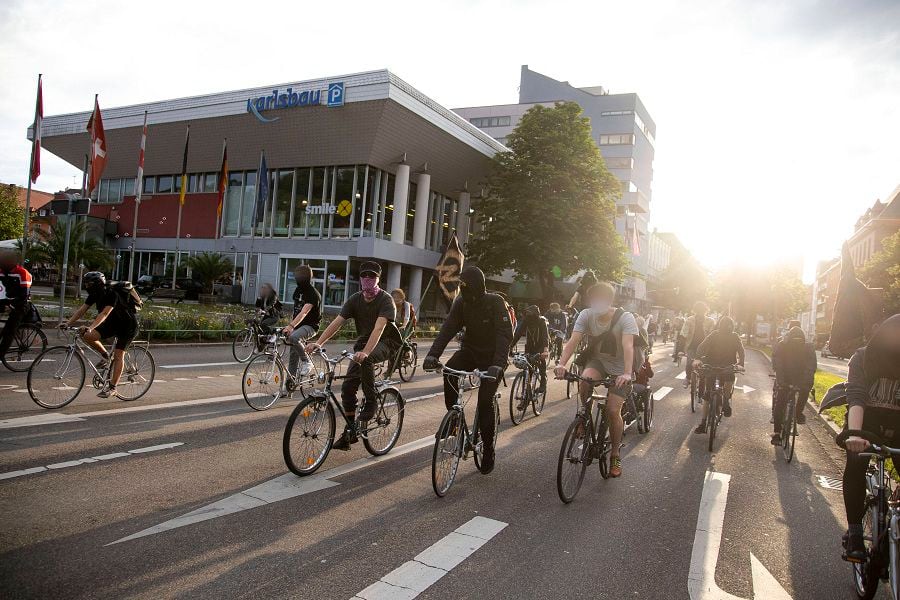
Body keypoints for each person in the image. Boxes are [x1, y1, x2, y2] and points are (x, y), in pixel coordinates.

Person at [423, 266, 512, 474]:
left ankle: (488, 448)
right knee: (450, 371)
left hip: (493, 358)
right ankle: (453, 420)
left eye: (468, 288)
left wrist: (498, 364)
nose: (465, 292)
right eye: (462, 288)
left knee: (484, 402)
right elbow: (448, 329)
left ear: (479, 287)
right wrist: (433, 355)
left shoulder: (495, 302)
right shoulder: (461, 303)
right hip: (471, 351)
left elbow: (504, 335)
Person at [305, 261, 400, 450]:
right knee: (348, 387)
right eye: (364, 275)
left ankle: (371, 403)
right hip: (362, 345)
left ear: (378, 279)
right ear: (360, 279)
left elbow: (379, 328)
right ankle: (350, 433)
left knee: (368, 359)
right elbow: (337, 322)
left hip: (387, 342)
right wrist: (318, 343)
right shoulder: (355, 299)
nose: (367, 279)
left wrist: (366, 352)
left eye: (372, 276)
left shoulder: (386, 300)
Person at [555, 282, 638, 478]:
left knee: (612, 410)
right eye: (594, 300)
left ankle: (615, 454)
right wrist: (561, 364)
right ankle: (584, 419)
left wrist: (626, 373)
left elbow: (628, 347)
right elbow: (573, 341)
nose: (596, 304)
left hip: (620, 367)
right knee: (585, 380)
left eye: (601, 300)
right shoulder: (586, 315)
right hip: (598, 361)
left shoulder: (626, 318)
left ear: (610, 301)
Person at [842, 314, 900, 562]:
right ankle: (855, 534)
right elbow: (856, 397)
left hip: (897, 427)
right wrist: (854, 434)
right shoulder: (863, 358)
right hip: (865, 422)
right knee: (856, 465)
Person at [62, 272, 140, 399]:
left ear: (97, 284)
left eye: (89, 283)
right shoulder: (94, 294)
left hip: (127, 325)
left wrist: (90, 327)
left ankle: (113, 387)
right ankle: (105, 357)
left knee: (119, 354)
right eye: (85, 283)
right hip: (112, 324)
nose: (86, 285)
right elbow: (82, 310)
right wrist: (68, 323)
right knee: (87, 336)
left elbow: (104, 313)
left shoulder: (111, 293)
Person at [691, 316, 745, 433]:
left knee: (707, 395)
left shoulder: (715, 334)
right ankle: (725, 400)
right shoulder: (733, 336)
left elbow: (702, 346)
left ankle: (703, 423)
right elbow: (741, 351)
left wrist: (697, 358)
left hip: (712, 366)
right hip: (726, 367)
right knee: (727, 382)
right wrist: (740, 363)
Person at [770, 326, 816, 445]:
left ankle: (777, 433)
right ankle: (798, 414)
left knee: (780, 403)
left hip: (791, 378)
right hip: (791, 378)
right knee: (798, 396)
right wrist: (805, 382)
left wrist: (781, 381)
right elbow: (811, 367)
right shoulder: (807, 347)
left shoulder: (783, 345)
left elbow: (778, 363)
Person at [283, 264, 321, 378]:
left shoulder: (313, 294)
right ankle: (289, 387)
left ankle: (307, 361)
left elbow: (304, 312)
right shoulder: (298, 290)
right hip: (298, 327)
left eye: (299, 276)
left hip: (310, 326)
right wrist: (291, 327)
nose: (297, 278)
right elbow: (296, 310)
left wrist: (291, 326)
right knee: (293, 357)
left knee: (294, 337)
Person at [0, 250, 33, 361]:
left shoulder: (22, 273)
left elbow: (24, 295)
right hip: (6, 300)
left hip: (21, 303)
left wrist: (11, 306)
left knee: (9, 330)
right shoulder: (2, 271)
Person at [510, 304, 550, 395]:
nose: (529, 316)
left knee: (541, 360)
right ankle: (526, 395)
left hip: (541, 346)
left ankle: (543, 381)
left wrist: (545, 350)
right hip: (530, 346)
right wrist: (510, 347)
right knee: (528, 369)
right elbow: (518, 334)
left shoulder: (541, 322)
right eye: (527, 314)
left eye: (531, 314)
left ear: (536, 314)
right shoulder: (526, 321)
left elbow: (545, 337)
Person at [681, 302, 715, 387]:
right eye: (698, 311)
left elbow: (712, 334)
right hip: (692, 346)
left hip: (705, 348)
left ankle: (702, 383)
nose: (700, 313)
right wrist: (681, 348)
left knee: (705, 367)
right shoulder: (689, 320)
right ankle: (688, 378)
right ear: (695, 311)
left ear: (705, 311)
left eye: (702, 311)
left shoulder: (710, 321)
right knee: (689, 363)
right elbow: (684, 333)